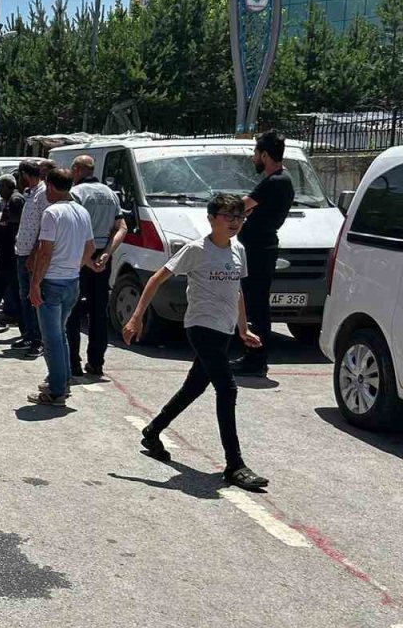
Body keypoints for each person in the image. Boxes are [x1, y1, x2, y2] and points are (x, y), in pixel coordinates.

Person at [123, 193, 269, 490]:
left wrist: (243, 329)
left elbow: (236, 291)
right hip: (201, 327)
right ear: (212, 218)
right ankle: (235, 465)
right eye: (228, 216)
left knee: (193, 388)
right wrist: (136, 317)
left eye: (240, 217)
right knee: (226, 390)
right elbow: (156, 279)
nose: (235, 223)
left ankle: (153, 430)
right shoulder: (196, 250)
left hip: (225, 329)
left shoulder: (238, 249)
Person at [27, 168, 93, 406]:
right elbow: (90, 247)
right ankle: (62, 381)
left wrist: (35, 284)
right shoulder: (82, 212)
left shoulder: (52, 213)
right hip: (72, 282)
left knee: (51, 339)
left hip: (52, 282)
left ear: (52, 187)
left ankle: (56, 392)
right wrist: (75, 266)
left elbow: (45, 252)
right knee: (60, 334)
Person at [233, 130, 295, 378]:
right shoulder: (281, 179)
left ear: (265, 155)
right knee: (253, 305)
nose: (253, 158)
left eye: (255, 153)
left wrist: (222, 206)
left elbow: (242, 206)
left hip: (260, 250)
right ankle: (252, 356)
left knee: (257, 307)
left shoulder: (275, 181)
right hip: (259, 248)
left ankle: (256, 359)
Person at [65, 155, 127, 377]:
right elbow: (122, 228)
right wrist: (107, 254)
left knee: (71, 311)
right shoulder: (111, 194)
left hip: (80, 256)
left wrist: (87, 260)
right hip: (102, 257)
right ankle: (96, 362)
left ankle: (73, 362)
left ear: (79, 170)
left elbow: (74, 228)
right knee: (98, 311)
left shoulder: (76, 194)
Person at [13, 160, 49, 357]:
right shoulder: (30, 193)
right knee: (24, 296)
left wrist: (35, 253)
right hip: (22, 251)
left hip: (31, 255)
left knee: (33, 297)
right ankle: (29, 334)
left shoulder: (43, 193)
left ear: (25, 174)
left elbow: (45, 227)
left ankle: (39, 339)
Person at [0, 174, 24, 342]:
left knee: (16, 297)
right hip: (6, 258)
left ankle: (26, 333)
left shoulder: (15, 200)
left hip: (11, 258)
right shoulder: (13, 200)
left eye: (0, 187)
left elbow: (11, 228)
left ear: (8, 186)